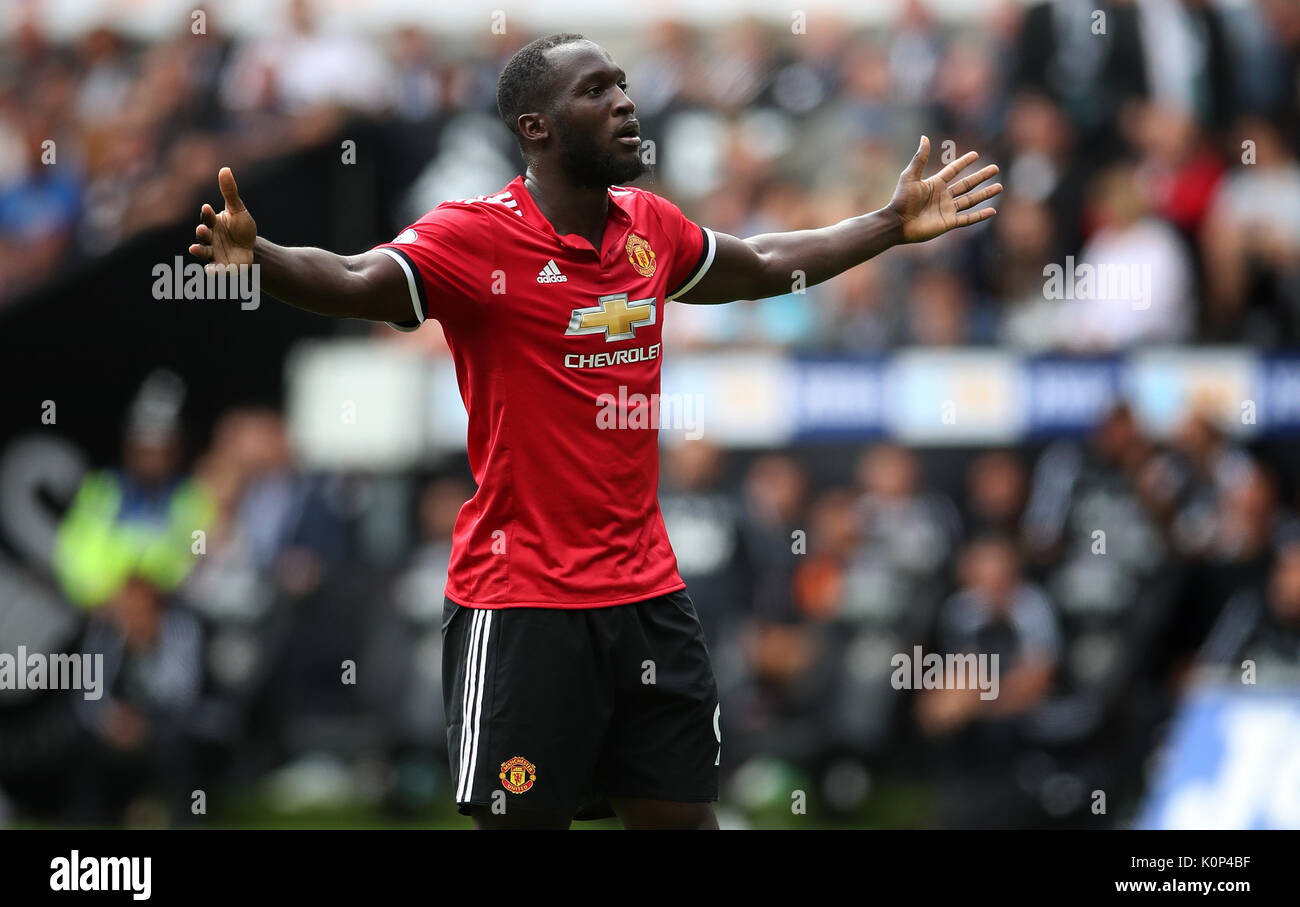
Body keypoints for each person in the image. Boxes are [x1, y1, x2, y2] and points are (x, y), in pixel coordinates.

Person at [186, 33, 1001, 830]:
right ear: (535, 128)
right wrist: (263, 257)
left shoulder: (649, 226)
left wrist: (890, 224)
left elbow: (757, 261)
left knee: (682, 818)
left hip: (647, 596)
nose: (624, 102)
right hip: (521, 604)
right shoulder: (474, 236)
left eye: (622, 83)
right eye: (596, 90)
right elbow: (361, 278)